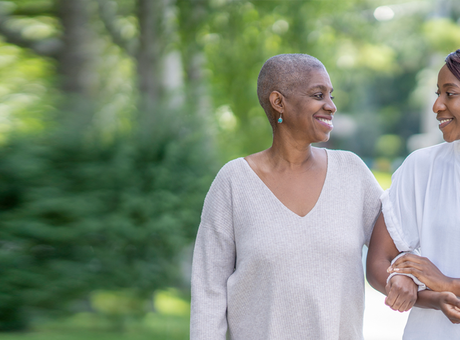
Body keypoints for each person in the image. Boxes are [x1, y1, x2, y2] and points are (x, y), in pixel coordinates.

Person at [190, 54, 382, 340]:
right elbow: (209, 293)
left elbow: (398, 245)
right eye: (318, 95)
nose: (331, 106)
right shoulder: (233, 182)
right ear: (279, 102)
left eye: (330, 95)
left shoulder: (352, 173)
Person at [366, 49, 460, 339]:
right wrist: (399, 276)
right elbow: (380, 261)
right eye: (438, 93)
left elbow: (440, 282)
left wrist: (448, 283)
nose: (436, 105)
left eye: (450, 93)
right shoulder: (422, 167)